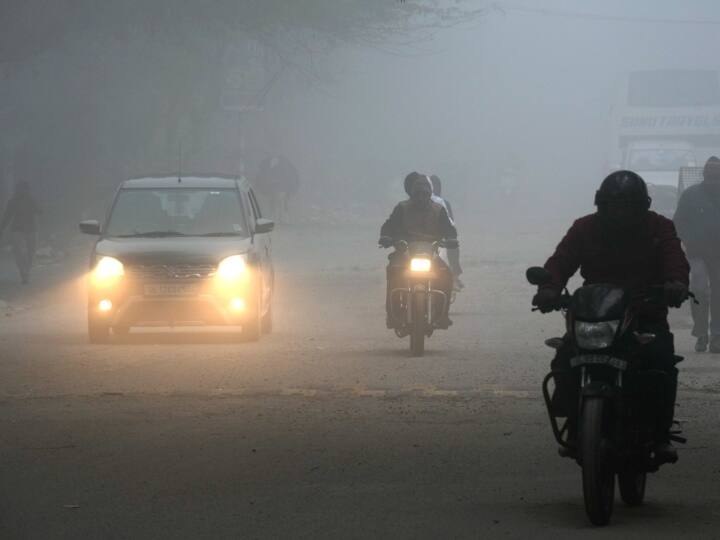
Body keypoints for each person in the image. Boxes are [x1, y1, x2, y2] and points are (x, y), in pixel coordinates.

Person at [531, 170, 690, 461]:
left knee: (661, 361)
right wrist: (549, 288)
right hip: (595, 312)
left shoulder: (660, 227)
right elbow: (561, 260)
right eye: (614, 205)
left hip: (645, 311)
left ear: (642, 205)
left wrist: (676, 284)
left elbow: (675, 259)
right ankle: (573, 419)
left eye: (628, 205)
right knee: (565, 356)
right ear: (600, 205)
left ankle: (659, 434)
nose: (620, 212)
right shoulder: (584, 228)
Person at [380, 172, 457, 328]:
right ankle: (393, 314)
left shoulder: (438, 210)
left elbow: (449, 229)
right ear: (412, 194)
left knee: (446, 276)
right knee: (394, 273)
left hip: (430, 252)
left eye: (425, 193)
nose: (421, 197)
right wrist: (386, 237)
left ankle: (442, 315)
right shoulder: (401, 208)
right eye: (418, 194)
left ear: (430, 194)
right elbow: (389, 225)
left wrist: (451, 239)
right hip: (405, 252)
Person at [674, 156, 720, 352]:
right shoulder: (691, 195)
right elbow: (678, 222)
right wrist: (688, 240)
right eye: (711, 177)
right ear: (704, 175)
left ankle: (717, 335)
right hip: (697, 252)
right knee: (699, 289)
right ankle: (701, 333)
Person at [0, 181, 41, 284]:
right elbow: (7, 215)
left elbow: (40, 211)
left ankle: (26, 271)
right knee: (19, 252)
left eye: (25, 189)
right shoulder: (13, 201)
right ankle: (23, 272)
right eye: (21, 189)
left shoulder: (31, 200)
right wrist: (2, 227)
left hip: (31, 230)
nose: (23, 192)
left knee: (31, 252)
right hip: (17, 230)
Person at [429, 175, 464, 290]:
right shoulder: (411, 204)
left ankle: (453, 275)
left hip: (436, 241)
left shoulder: (441, 203)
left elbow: (450, 224)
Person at [254, 154, 300, 224]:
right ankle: (279, 219)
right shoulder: (276, 166)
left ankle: (282, 219)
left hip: (281, 189)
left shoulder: (282, 167)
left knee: (281, 204)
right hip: (277, 188)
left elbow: (288, 178)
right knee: (277, 203)